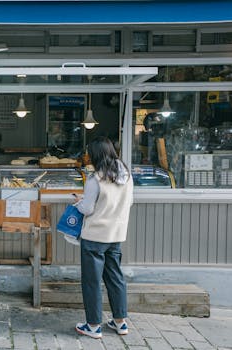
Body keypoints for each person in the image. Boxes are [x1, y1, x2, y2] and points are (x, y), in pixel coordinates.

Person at [73, 136, 134, 339]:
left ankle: (93, 325)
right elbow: (128, 203)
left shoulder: (95, 179)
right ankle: (120, 322)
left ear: (96, 155)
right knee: (115, 278)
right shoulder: (126, 176)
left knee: (92, 281)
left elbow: (87, 209)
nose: (87, 156)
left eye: (90, 152)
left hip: (95, 237)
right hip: (116, 234)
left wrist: (79, 202)